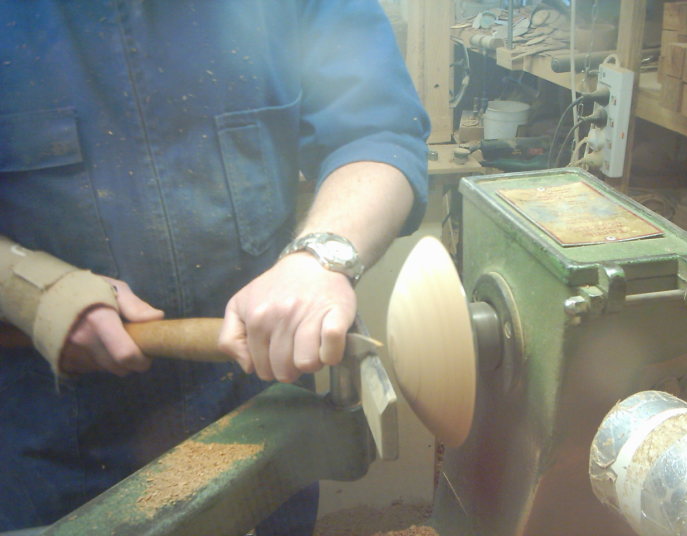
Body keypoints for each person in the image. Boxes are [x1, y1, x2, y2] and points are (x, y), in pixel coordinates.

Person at [0, 1, 430, 535]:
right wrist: (32, 290)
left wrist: (320, 258)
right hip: (58, 444)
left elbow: (378, 131)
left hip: (261, 424)